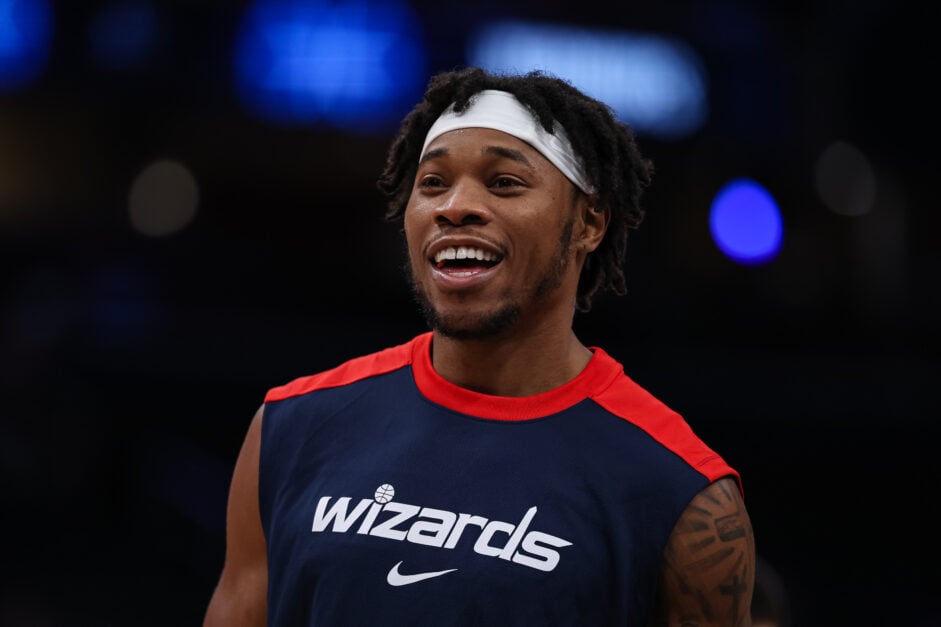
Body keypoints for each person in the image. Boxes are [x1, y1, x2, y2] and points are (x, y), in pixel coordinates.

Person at [203, 67, 755, 626]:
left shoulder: (681, 492)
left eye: (504, 182)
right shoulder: (290, 427)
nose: (455, 206)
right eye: (433, 182)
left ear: (589, 223)